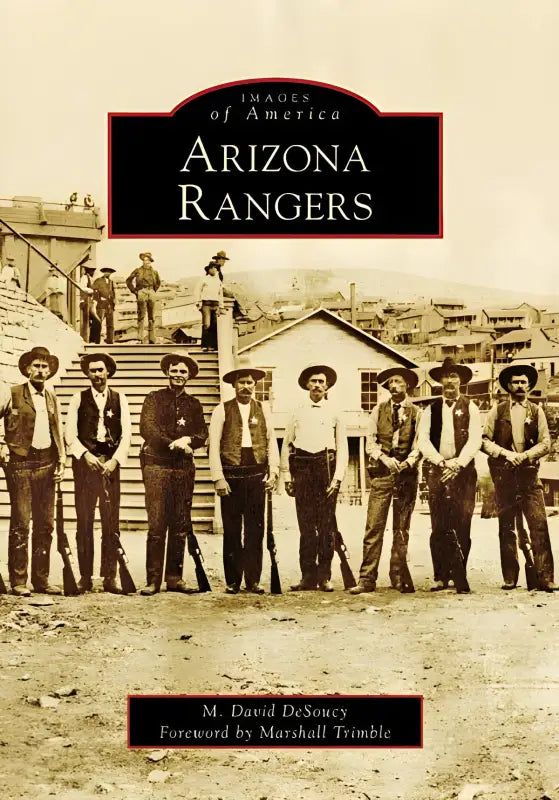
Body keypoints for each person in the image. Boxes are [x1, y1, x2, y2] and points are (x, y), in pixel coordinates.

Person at [208, 356, 279, 594]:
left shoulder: (264, 409)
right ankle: (233, 580)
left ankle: (253, 580)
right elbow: (214, 446)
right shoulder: (222, 409)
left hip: (256, 475)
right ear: (234, 385)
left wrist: (273, 471)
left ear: (255, 385)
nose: (246, 386)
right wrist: (218, 477)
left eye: (250, 382)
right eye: (242, 382)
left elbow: (272, 442)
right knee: (231, 530)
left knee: (255, 530)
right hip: (231, 476)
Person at [139, 351, 208, 595]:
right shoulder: (154, 398)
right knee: (156, 524)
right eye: (174, 370)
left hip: (183, 469)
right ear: (167, 372)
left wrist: (189, 439)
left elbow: (202, 434)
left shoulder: (194, 404)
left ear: (189, 375)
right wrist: (172, 442)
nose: (178, 375)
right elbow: (147, 427)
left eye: (183, 371)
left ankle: (174, 578)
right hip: (157, 466)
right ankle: (153, 579)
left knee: (180, 524)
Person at [482, 364, 556, 591]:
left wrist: (524, 456)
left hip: (529, 475)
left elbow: (546, 443)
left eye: (524, 382)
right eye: (516, 382)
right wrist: (506, 454)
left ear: (529, 385)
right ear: (508, 386)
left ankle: (545, 577)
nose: (520, 386)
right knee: (507, 527)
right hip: (504, 476)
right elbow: (484, 440)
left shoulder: (537, 411)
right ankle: (510, 577)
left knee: (538, 524)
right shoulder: (498, 410)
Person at [0, 347, 65, 596]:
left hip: (47, 464)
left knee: (45, 524)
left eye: (44, 367)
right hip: (20, 464)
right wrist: (2, 445)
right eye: (36, 366)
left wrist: (62, 459)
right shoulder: (13, 393)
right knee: (21, 523)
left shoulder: (51, 397)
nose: (40, 371)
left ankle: (41, 580)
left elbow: (56, 429)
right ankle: (18, 581)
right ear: (28, 368)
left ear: (50, 371)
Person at [350, 367, 421, 594]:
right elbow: (369, 442)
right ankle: (366, 579)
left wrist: (409, 461)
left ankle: (398, 577)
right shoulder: (378, 410)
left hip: (407, 475)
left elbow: (420, 443)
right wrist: (383, 458)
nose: (393, 386)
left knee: (401, 529)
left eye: (398, 381)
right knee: (374, 526)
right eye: (390, 382)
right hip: (381, 474)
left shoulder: (418, 412)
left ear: (407, 385)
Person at [64, 353, 131, 593]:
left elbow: (127, 435)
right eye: (92, 371)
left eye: (101, 370)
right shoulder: (77, 399)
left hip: (110, 466)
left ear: (108, 372)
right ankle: (85, 576)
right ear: (87, 374)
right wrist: (86, 456)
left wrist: (114, 461)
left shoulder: (120, 399)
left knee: (110, 522)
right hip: (85, 467)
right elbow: (69, 434)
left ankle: (109, 576)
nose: (97, 375)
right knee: (84, 521)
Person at [280, 363, 348, 592]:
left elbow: (343, 448)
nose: (317, 385)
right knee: (306, 527)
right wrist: (288, 476)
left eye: (321, 381)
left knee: (327, 526)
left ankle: (325, 576)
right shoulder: (297, 412)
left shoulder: (335, 413)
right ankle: (307, 576)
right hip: (303, 469)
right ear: (307, 385)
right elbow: (287, 446)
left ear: (327, 386)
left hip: (326, 469)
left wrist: (337, 478)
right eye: (313, 381)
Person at [417, 357, 482, 593]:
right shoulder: (430, 409)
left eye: (454, 376)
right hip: (437, 471)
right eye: (446, 376)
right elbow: (423, 440)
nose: (450, 381)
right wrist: (441, 462)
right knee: (439, 525)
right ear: (440, 381)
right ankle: (440, 575)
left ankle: (459, 573)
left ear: (461, 381)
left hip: (464, 473)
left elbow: (476, 439)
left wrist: (457, 464)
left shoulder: (471, 407)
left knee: (463, 523)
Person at [126, 252, 161, 344]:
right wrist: (135, 291)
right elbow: (128, 280)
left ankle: (152, 338)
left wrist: (153, 291)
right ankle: (140, 338)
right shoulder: (138, 270)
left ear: (150, 261)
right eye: (145, 260)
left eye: (148, 260)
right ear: (143, 261)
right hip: (142, 292)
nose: (146, 262)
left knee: (152, 316)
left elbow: (158, 282)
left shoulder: (154, 272)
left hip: (151, 292)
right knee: (141, 315)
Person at [195, 262, 224, 351]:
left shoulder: (218, 280)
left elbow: (220, 293)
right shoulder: (204, 279)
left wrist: (221, 305)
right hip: (206, 304)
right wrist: (198, 302)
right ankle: (205, 346)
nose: (214, 269)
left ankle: (214, 346)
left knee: (215, 325)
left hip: (215, 304)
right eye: (212, 268)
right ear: (209, 269)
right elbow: (197, 290)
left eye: (215, 268)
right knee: (207, 324)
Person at [92, 267, 116, 344]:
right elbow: (94, 291)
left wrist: (113, 302)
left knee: (110, 324)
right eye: (106, 272)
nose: (107, 274)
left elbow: (112, 293)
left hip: (110, 305)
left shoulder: (111, 282)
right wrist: (98, 299)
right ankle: (96, 340)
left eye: (109, 272)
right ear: (103, 272)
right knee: (98, 322)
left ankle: (110, 340)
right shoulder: (98, 281)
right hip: (101, 304)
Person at [79, 263, 100, 343]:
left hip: (90, 302)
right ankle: (92, 340)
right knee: (95, 321)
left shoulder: (90, 278)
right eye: (92, 270)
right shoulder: (84, 277)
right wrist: (91, 290)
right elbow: (82, 287)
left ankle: (92, 339)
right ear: (88, 270)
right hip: (85, 302)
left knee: (91, 322)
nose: (93, 272)